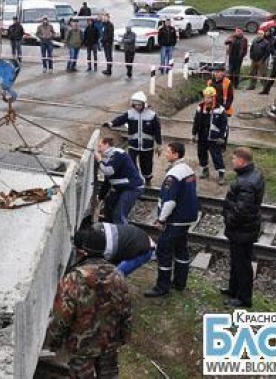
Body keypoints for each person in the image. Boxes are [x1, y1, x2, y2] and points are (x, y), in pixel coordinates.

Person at [46, 226, 132, 379]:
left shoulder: (74, 279)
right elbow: (126, 310)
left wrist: (54, 342)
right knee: (110, 375)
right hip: (109, 342)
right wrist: (125, 335)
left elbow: (61, 317)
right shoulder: (118, 275)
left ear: (81, 252)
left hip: (81, 346)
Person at [145, 142, 199, 297]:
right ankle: (180, 283)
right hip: (186, 218)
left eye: (168, 152)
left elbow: (170, 201)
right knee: (181, 249)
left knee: (163, 249)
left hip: (176, 219)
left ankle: (162, 287)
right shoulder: (188, 170)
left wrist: (161, 220)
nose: (165, 154)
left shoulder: (173, 175)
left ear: (176, 155)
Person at [220, 148, 264, 308]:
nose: (232, 161)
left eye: (234, 159)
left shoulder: (246, 182)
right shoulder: (253, 174)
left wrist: (229, 220)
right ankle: (233, 290)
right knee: (236, 261)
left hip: (242, 230)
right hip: (244, 229)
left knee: (242, 264)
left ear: (242, 161)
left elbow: (242, 210)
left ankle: (244, 298)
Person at [105, 91, 162, 185]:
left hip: (147, 146)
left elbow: (157, 130)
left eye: (139, 105)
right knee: (131, 163)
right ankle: (135, 179)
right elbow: (120, 119)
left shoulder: (152, 115)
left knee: (146, 165)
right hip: (133, 145)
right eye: (135, 105)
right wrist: (111, 123)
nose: (137, 107)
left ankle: (147, 180)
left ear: (144, 104)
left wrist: (159, 144)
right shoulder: (130, 113)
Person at [95, 137, 144, 225]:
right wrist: (100, 198)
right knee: (109, 208)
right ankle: (109, 230)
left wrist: (99, 160)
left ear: (107, 144)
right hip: (122, 188)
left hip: (132, 188)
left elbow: (109, 171)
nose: (98, 149)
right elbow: (107, 181)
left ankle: (122, 235)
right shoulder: (107, 157)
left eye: (100, 146)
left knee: (119, 215)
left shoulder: (117, 153)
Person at [85, 221, 156, 277]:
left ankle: (112, 290)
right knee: (111, 271)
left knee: (115, 275)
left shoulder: (109, 244)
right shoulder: (102, 228)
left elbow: (110, 258)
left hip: (144, 249)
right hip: (137, 239)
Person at [192, 86, 229, 184]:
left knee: (216, 156)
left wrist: (222, 137)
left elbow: (224, 125)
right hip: (202, 136)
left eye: (209, 97)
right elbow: (196, 122)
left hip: (214, 138)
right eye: (205, 97)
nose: (206, 99)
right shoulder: (200, 107)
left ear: (213, 97)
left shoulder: (220, 110)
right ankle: (205, 170)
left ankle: (221, 174)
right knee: (201, 153)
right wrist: (194, 134)